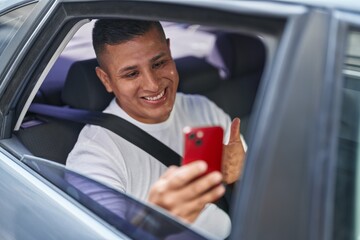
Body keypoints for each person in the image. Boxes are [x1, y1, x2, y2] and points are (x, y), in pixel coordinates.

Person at [66, 19, 246, 239]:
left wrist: (241, 176)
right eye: (131, 74)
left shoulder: (203, 108)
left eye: (159, 63)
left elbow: (253, 201)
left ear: (170, 51)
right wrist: (153, 223)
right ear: (106, 80)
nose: (153, 85)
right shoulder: (95, 154)